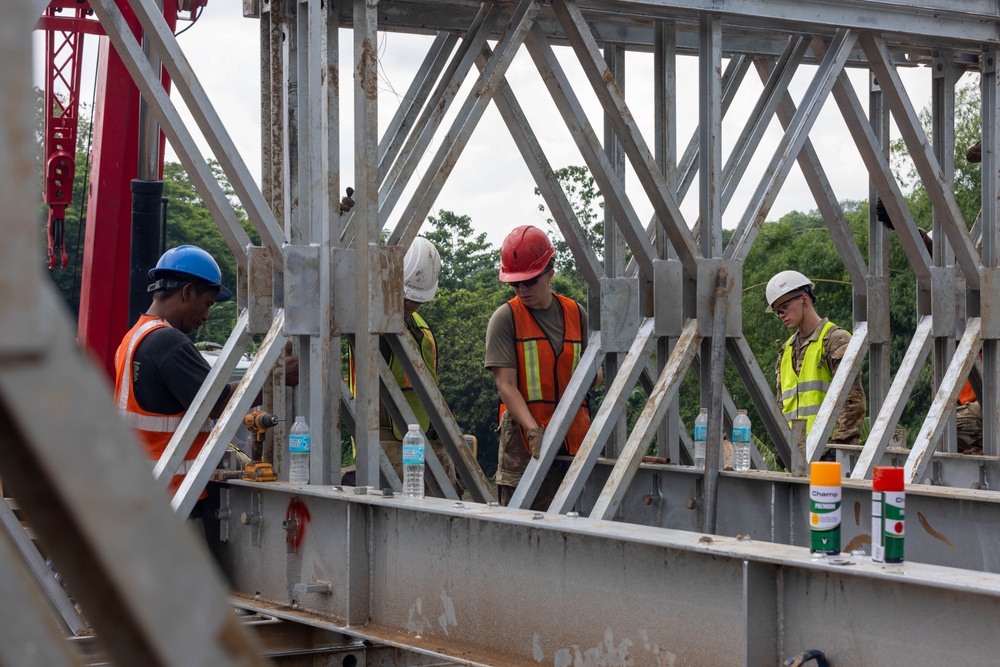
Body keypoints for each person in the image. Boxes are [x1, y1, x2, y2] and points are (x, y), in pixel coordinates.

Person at [113, 245, 298, 513]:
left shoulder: (134, 337)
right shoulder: (167, 341)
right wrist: (277, 377)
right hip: (172, 496)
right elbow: (216, 403)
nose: (206, 316)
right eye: (207, 304)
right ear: (187, 292)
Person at [484, 225, 599, 509]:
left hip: (573, 443)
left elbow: (593, 374)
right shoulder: (506, 318)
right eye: (515, 283)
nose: (522, 289)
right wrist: (534, 430)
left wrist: (595, 377)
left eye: (530, 281)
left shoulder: (575, 313)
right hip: (526, 446)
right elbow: (506, 385)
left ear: (550, 272)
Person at [347, 237, 458, 492]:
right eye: (406, 297)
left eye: (415, 300)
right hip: (386, 446)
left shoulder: (420, 326)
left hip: (427, 444)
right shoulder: (369, 321)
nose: (409, 305)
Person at [767, 270, 866, 457]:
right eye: (777, 311)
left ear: (804, 299)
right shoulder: (786, 350)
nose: (781, 314)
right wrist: (782, 442)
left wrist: (838, 448)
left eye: (785, 306)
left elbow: (853, 401)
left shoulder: (836, 340)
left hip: (829, 453)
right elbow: (782, 404)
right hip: (796, 454)